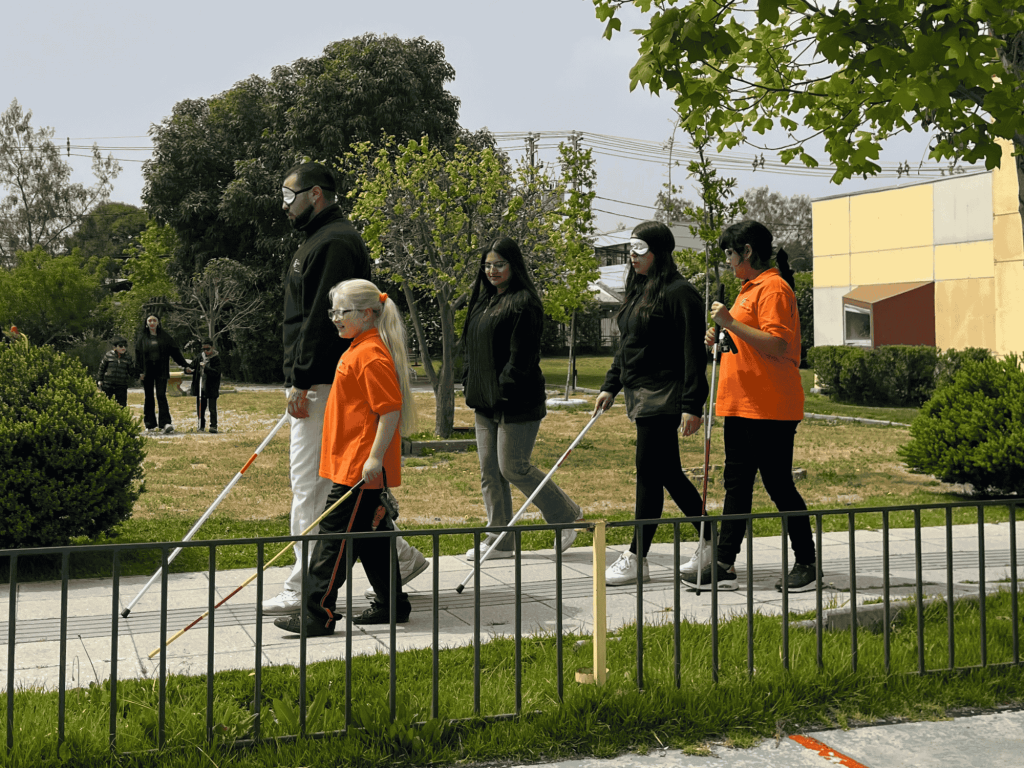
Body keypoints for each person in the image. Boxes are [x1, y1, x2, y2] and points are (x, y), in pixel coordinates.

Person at [264, 162, 427, 616]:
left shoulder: (335, 241)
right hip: (319, 381)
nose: (284, 204)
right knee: (335, 488)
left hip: (320, 383)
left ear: (315, 194)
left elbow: (322, 317)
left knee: (314, 488)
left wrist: (299, 379)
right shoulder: (317, 240)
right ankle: (400, 559)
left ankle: (304, 587)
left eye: (288, 194)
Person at [680, 220, 817, 592]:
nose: (727, 261)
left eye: (730, 253)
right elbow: (746, 343)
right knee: (736, 486)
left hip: (770, 407)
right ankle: (724, 562)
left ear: (748, 252)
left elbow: (777, 344)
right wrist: (719, 337)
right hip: (740, 404)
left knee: (779, 486)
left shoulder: (773, 289)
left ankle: (807, 562)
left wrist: (729, 322)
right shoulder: (747, 290)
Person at [274, 279, 418, 635]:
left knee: (333, 542)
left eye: (343, 312)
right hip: (351, 465)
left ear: (368, 313)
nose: (335, 318)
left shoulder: (370, 355)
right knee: (372, 537)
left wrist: (373, 460)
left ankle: (316, 614)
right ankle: (392, 605)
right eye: (333, 311)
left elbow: (390, 411)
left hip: (359, 469)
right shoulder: (358, 348)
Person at [593, 221, 710, 586]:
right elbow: (626, 345)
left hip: (666, 394)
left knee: (648, 470)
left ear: (658, 252)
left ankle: (636, 555)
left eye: (640, 249)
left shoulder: (680, 294)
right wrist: (611, 385)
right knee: (667, 473)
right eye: (630, 248)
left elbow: (694, 353)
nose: (632, 255)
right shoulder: (638, 290)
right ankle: (710, 539)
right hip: (640, 395)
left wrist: (693, 404)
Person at [461, 237, 583, 560]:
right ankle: (500, 538)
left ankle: (565, 515)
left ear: (513, 265)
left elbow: (521, 359)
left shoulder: (524, 303)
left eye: (499, 264)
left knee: (513, 467)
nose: (492, 271)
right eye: (487, 265)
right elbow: (471, 350)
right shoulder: (483, 302)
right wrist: (469, 382)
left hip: (518, 402)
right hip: (484, 402)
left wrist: (500, 391)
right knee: (489, 471)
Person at [135, 315, 187, 434]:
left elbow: (175, 352)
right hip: (147, 372)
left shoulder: (165, 337)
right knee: (149, 397)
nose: (152, 322)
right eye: (149, 320)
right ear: (146, 323)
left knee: (161, 395)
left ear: (158, 323)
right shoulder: (142, 338)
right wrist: (139, 372)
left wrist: (184, 365)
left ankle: (165, 423)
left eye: (154, 320)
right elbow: (138, 357)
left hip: (161, 371)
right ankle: (150, 424)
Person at [187, 338, 222, 433]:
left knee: (212, 408)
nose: (206, 351)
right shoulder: (200, 357)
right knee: (200, 408)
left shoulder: (216, 358)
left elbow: (216, 373)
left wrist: (206, 368)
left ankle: (213, 426)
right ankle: (201, 426)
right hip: (200, 387)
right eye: (204, 349)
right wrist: (188, 370)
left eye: (208, 349)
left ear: (213, 348)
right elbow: (192, 366)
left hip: (211, 387)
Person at [97, 337, 135, 407]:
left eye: (125, 346)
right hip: (108, 385)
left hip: (121, 386)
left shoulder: (128, 358)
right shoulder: (108, 355)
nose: (123, 348)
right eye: (121, 346)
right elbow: (102, 368)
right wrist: (100, 380)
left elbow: (131, 371)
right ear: (115, 347)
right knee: (106, 405)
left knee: (121, 406)